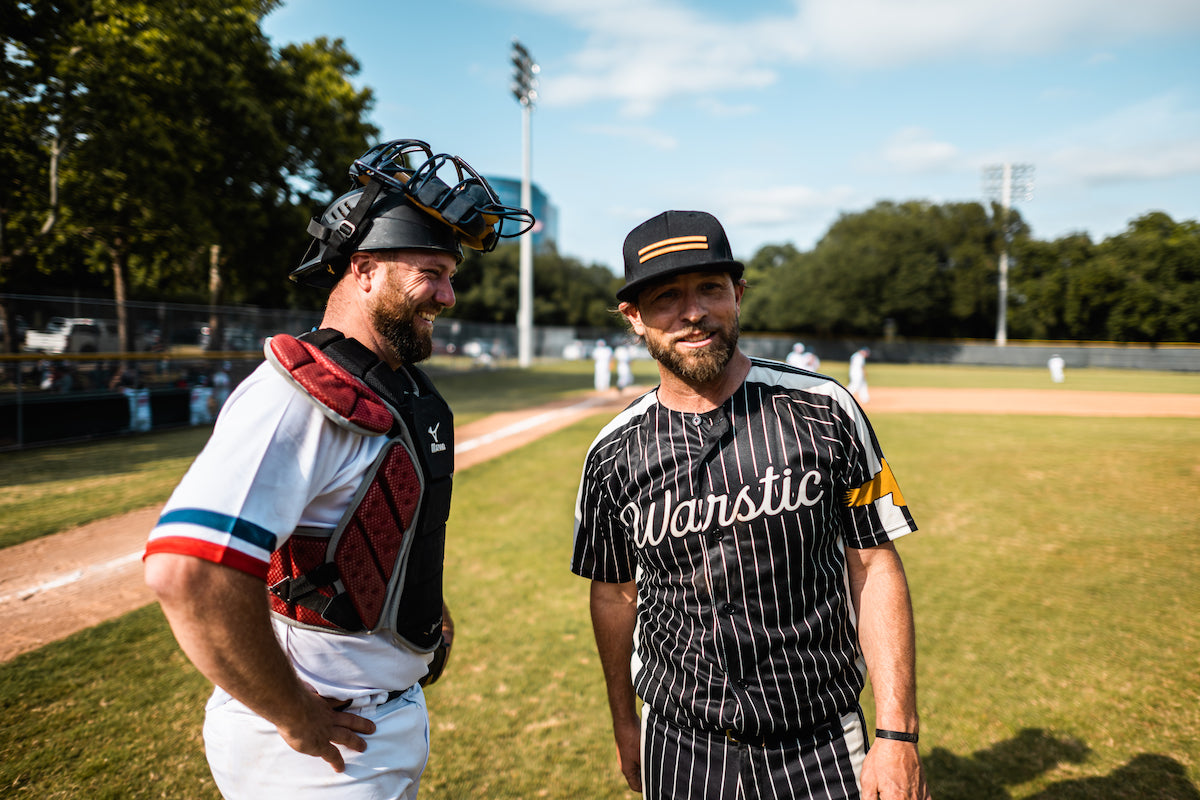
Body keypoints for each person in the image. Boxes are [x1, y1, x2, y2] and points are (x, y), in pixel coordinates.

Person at [144, 138, 532, 799]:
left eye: (450, 275)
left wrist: (421, 608)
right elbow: (189, 571)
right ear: (362, 270)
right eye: (430, 273)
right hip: (315, 748)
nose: (448, 295)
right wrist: (293, 715)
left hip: (374, 723)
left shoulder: (395, 387)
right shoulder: (297, 395)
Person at [571, 210, 930, 800]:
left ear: (737, 294)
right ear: (632, 318)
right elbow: (614, 593)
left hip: (819, 740)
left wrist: (897, 735)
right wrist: (623, 722)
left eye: (710, 288)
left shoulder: (826, 408)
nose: (694, 311)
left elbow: (872, 564)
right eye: (667, 297)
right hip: (679, 742)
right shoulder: (612, 453)